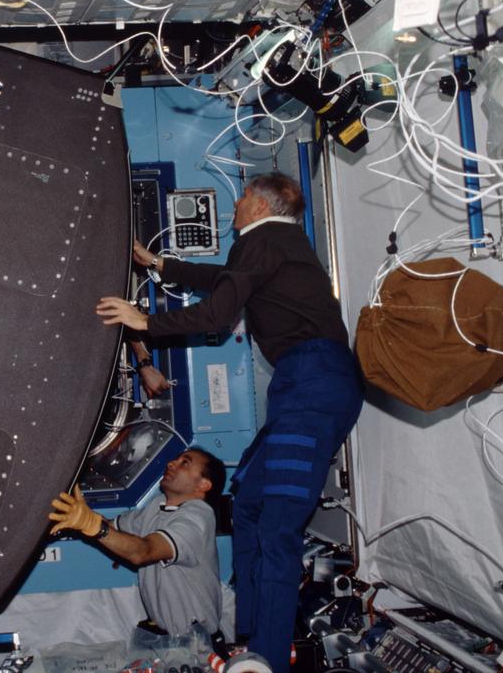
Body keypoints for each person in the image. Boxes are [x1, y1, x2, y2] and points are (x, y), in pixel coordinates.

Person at [95, 172, 363, 673]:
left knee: (279, 526)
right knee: (249, 504)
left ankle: (268, 661)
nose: (234, 206)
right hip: (305, 384)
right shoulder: (274, 245)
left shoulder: (262, 241)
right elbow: (224, 281)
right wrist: (157, 263)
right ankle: (249, 639)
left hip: (313, 383)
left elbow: (218, 313)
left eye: (240, 198)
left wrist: (145, 322)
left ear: (259, 207)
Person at [47, 448, 226, 639]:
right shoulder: (158, 506)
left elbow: (143, 551)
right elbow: (114, 529)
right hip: (168, 639)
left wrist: (92, 525)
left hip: (199, 643)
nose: (171, 463)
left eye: (185, 463)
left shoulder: (198, 517)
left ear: (203, 485)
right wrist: (81, 515)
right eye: (176, 458)